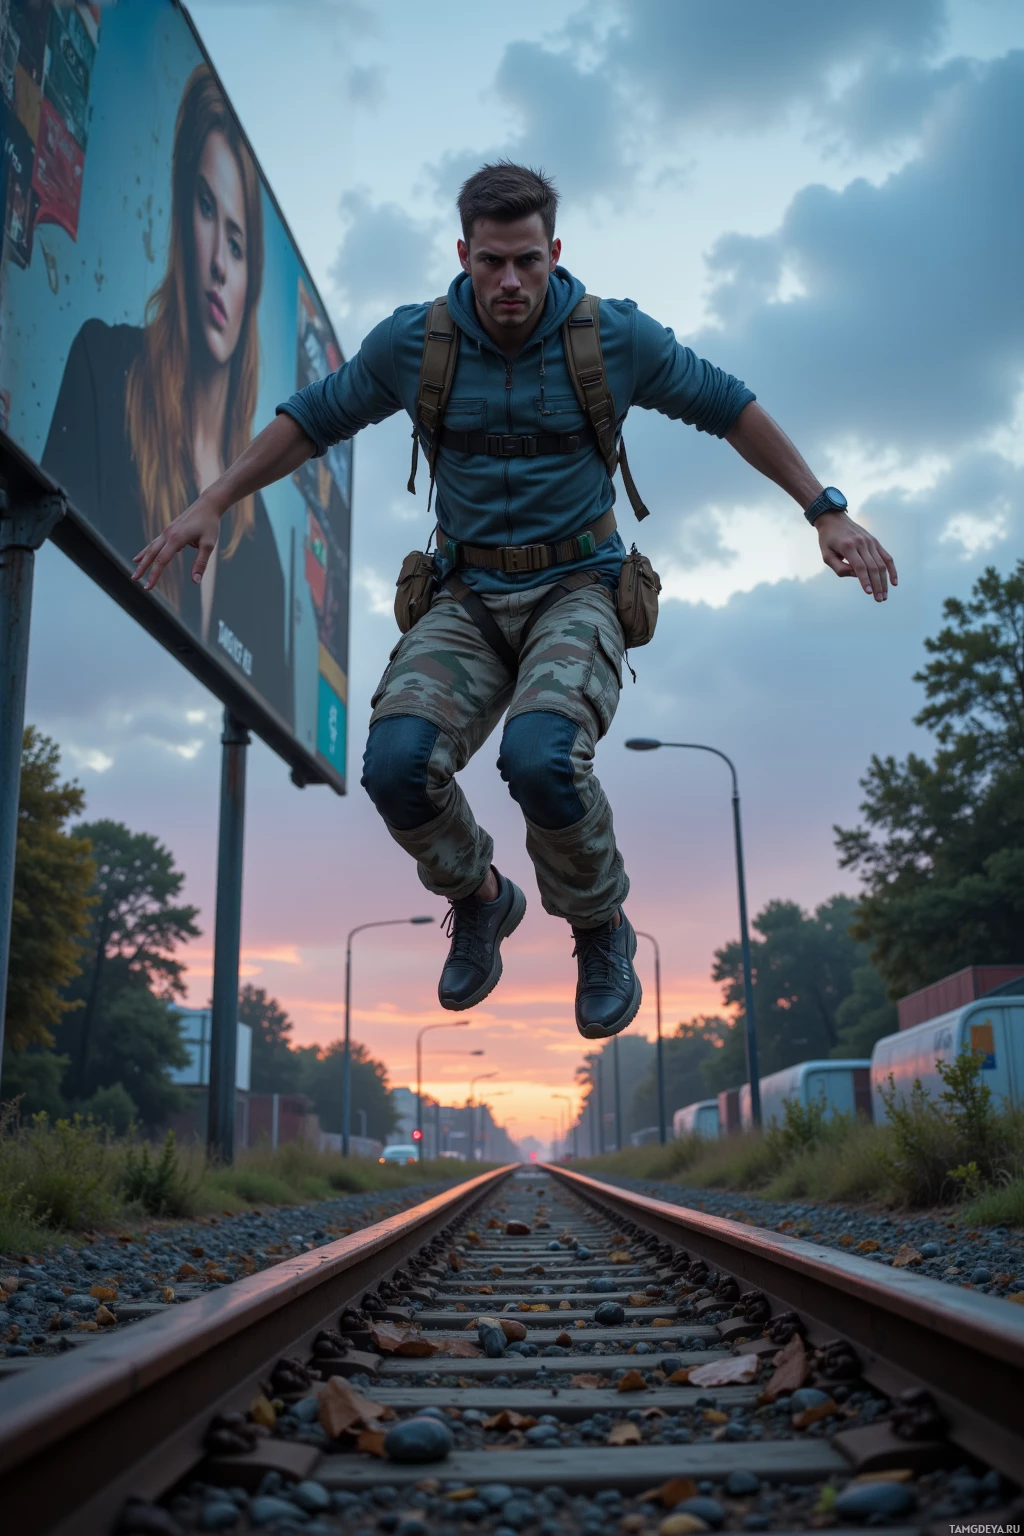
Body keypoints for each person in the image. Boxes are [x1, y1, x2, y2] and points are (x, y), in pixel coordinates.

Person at [133, 161, 897, 1041]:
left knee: (540, 756)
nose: (509, 282)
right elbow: (312, 418)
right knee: (395, 766)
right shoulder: (413, 344)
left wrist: (824, 511)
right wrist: (213, 500)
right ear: (463, 253)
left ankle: (600, 925)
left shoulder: (613, 338)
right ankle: (483, 900)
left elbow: (730, 407)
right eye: (491, 262)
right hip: (466, 593)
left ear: (555, 251)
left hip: (578, 584)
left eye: (528, 261)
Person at [43, 63, 293, 727]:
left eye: (237, 245)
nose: (217, 260)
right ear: (181, 223)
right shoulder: (105, 365)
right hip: (78, 721)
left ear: (253, 279)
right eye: (205, 211)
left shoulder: (259, 538)